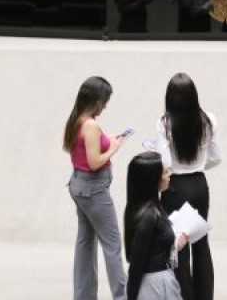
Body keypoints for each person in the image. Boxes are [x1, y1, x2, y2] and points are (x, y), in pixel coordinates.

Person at [154, 73, 221, 300]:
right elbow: (216, 157)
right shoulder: (209, 120)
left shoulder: (164, 123)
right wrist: (199, 165)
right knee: (201, 244)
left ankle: (184, 296)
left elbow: (166, 163)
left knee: (178, 246)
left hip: (174, 188)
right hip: (199, 186)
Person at [64, 76, 128, 300]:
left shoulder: (77, 119)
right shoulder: (91, 125)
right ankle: (122, 296)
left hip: (79, 186)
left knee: (85, 242)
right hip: (94, 190)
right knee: (112, 245)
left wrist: (107, 139)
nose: (105, 106)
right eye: (105, 101)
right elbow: (94, 162)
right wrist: (115, 148)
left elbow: (86, 148)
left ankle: (83, 296)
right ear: (97, 100)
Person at [124, 151, 188, 300]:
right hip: (154, 288)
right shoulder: (148, 217)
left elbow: (153, 246)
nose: (170, 174)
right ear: (153, 180)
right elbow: (136, 265)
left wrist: (175, 245)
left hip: (161, 281)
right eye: (165, 172)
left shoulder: (152, 207)